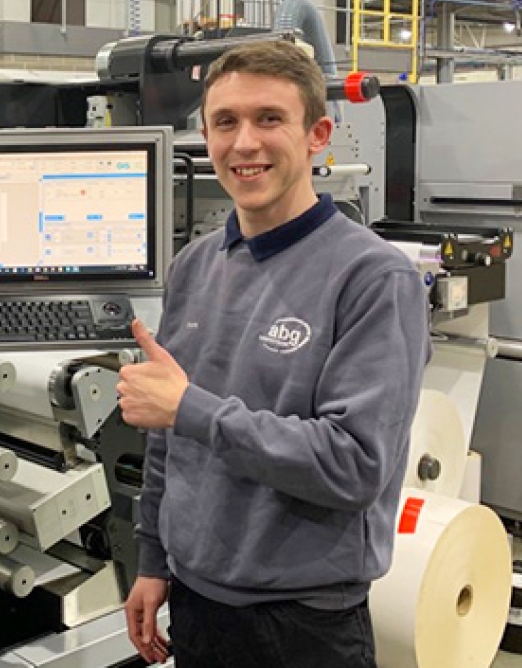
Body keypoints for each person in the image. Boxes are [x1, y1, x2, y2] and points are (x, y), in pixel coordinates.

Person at [117, 40, 430, 667]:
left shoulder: (371, 278)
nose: (244, 144)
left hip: (303, 623)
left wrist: (191, 410)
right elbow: (166, 437)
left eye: (269, 119)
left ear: (316, 134)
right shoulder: (195, 265)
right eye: (225, 122)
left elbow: (354, 465)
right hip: (198, 603)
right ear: (205, 134)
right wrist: (152, 558)